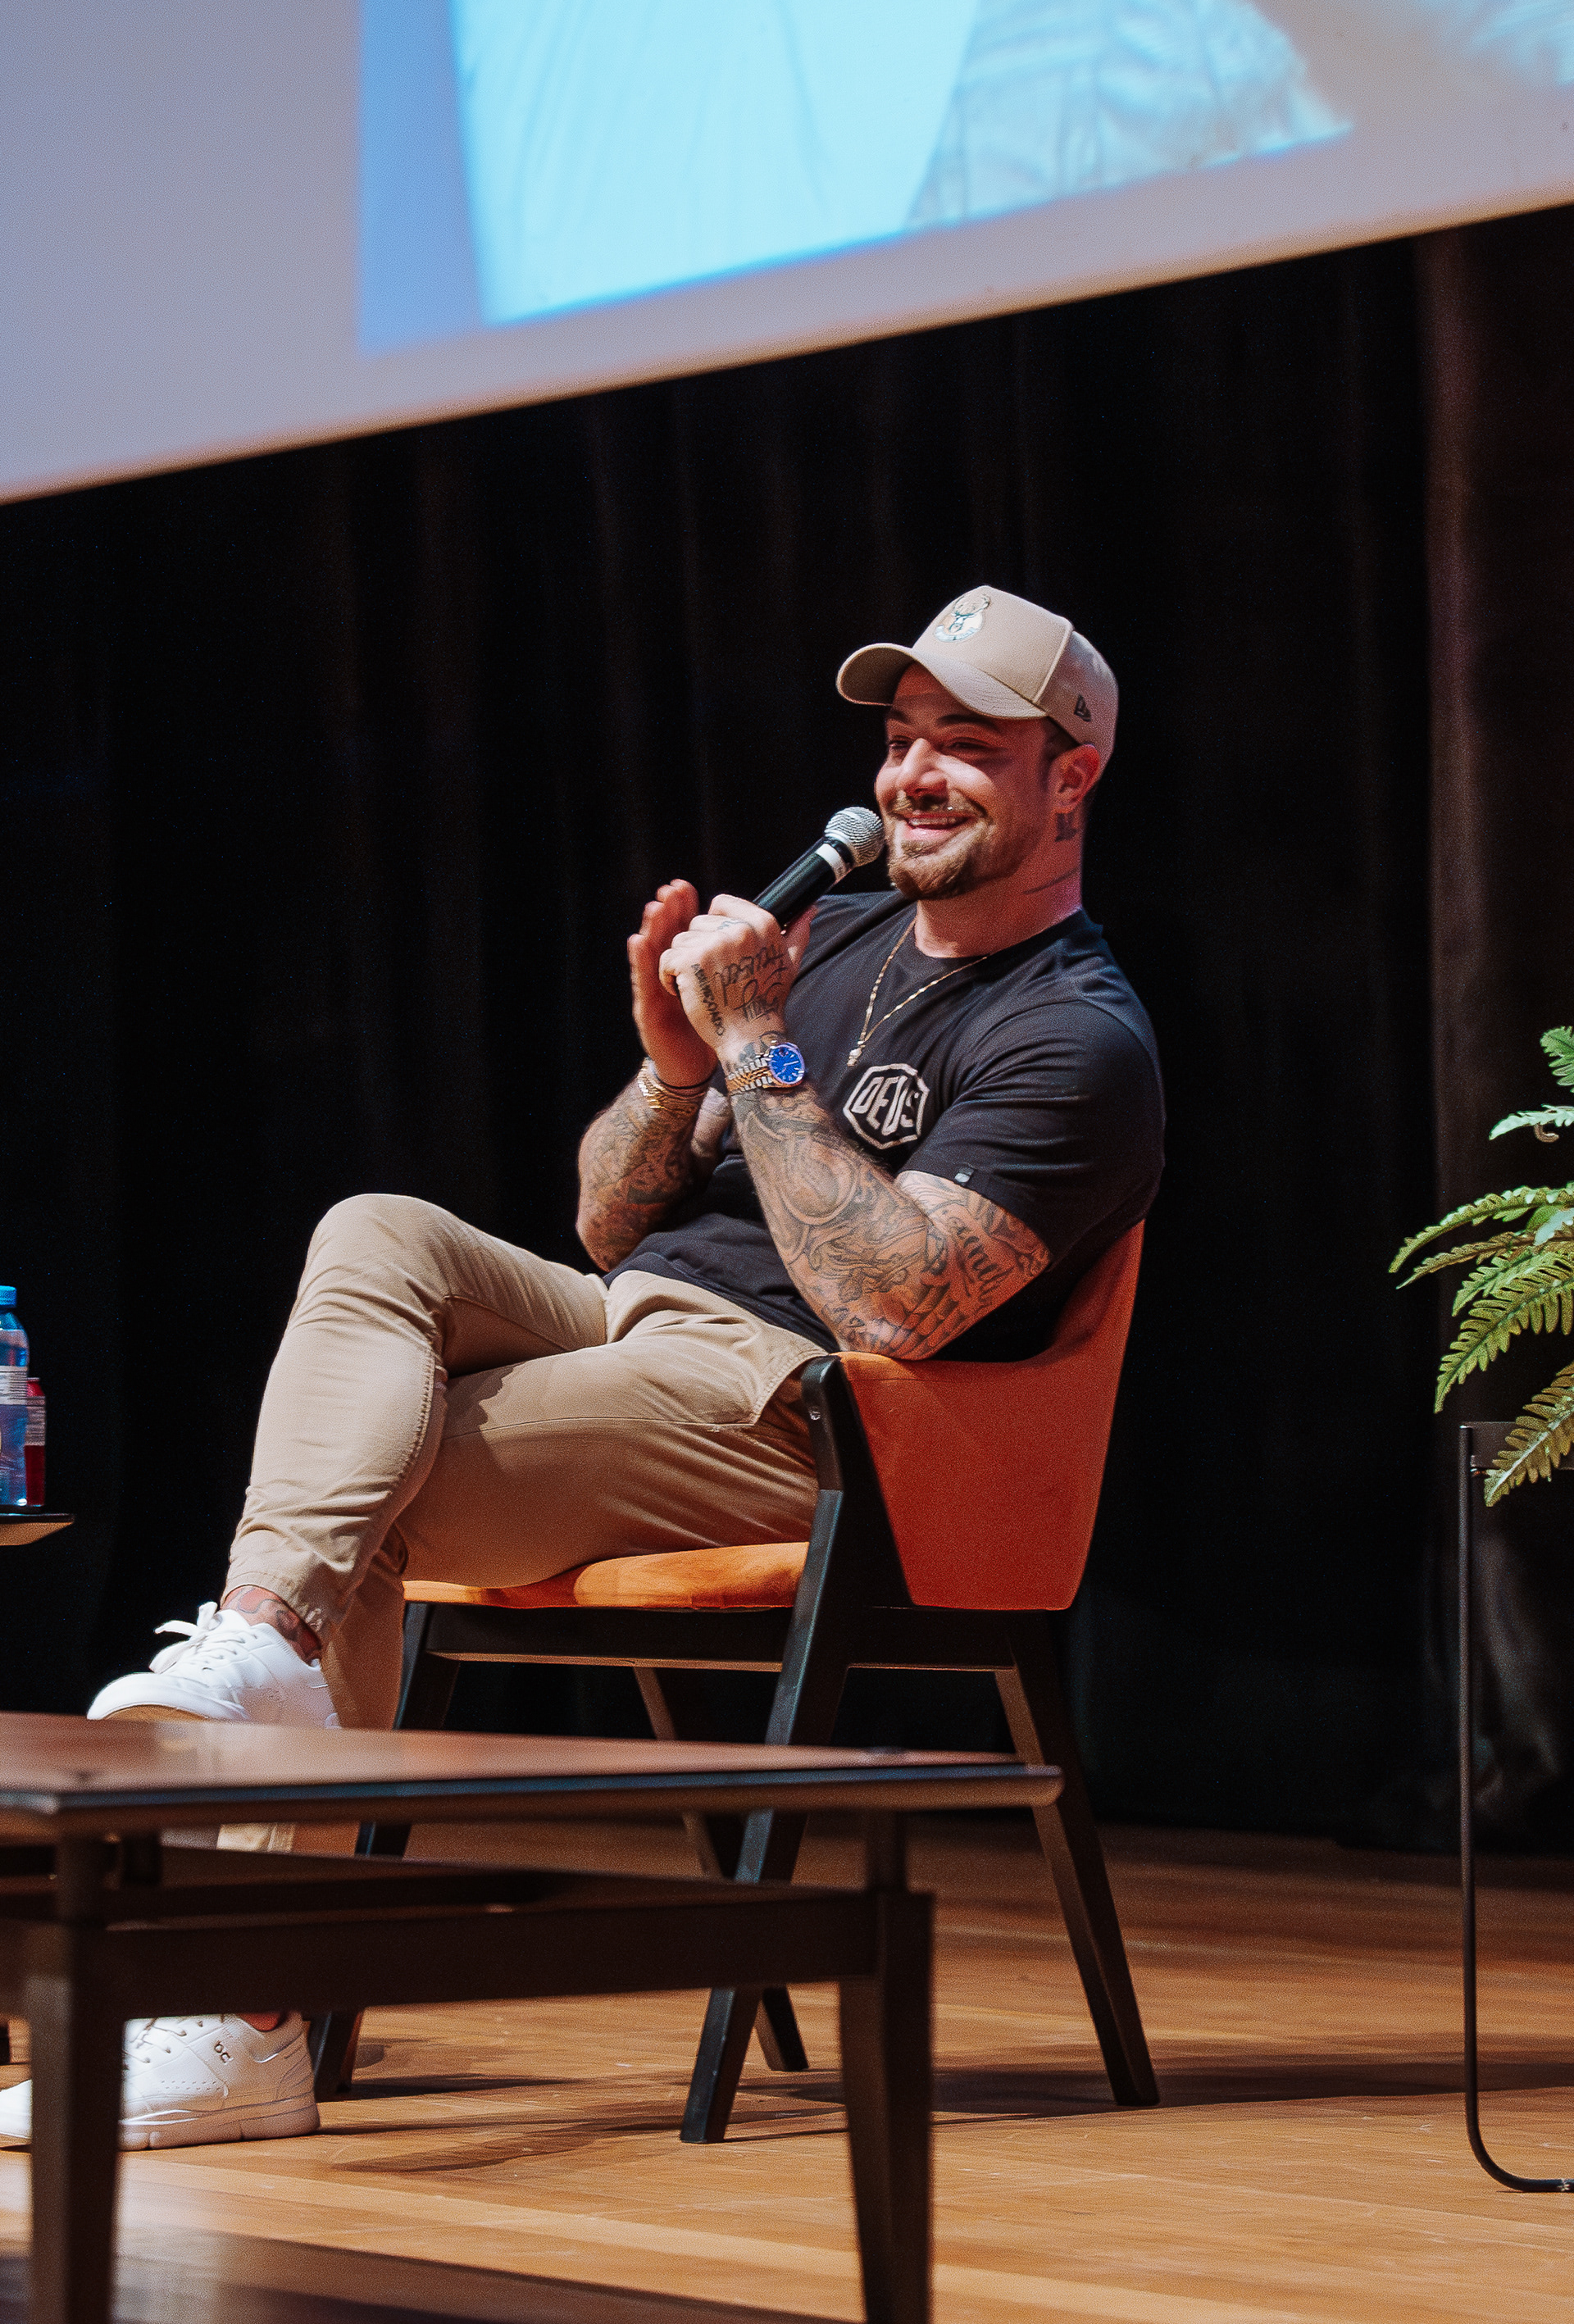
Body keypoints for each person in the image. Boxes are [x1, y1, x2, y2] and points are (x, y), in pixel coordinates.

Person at [2, 585, 1162, 2149]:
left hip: (811, 1418)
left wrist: (753, 1046)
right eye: (900, 740)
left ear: (1070, 777)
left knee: (362, 1501)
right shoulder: (842, 938)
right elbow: (611, 1221)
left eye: (966, 745)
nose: (911, 777)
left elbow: (894, 1307)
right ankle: (262, 1651)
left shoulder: (1078, 1037)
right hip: (637, 1324)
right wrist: (676, 1072)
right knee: (376, 1233)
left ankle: (246, 2011)